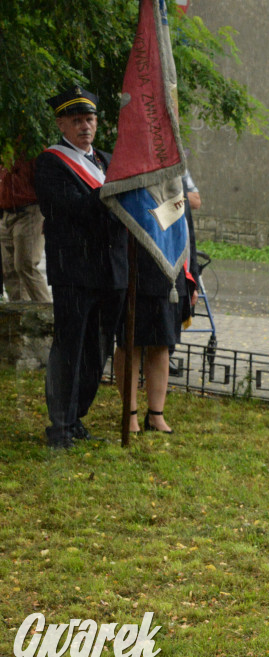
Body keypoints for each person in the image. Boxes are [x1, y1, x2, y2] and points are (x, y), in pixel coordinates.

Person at [33, 86, 128, 450]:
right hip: (74, 271)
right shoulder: (51, 163)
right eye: (76, 120)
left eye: (89, 119)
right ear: (61, 124)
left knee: (96, 350)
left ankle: (75, 418)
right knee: (70, 348)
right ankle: (59, 424)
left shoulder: (108, 161)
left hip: (111, 271)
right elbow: (68, 209)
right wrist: (112, 194)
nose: (84, 126)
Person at [113, 174, 199, 434]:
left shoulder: (174, 179)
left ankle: (156, 415)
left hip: (170, 275)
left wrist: (192, 276)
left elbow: (187, 232)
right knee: (131, 343)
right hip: (135, 270)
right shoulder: (127, 175)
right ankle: (130, 414)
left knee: (162, 343)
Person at [1, 155, 51, 302]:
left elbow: (46, 183)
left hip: (30, 210)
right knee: (9, 269)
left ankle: (49, 316)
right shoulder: (4, 147)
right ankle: (20, 317)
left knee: (26, 264)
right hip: (6, 212)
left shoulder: (31, 146)